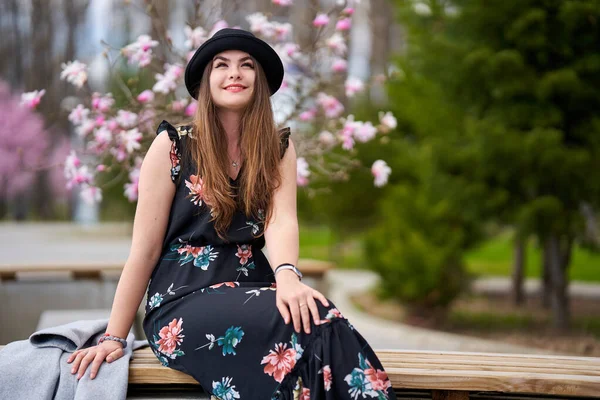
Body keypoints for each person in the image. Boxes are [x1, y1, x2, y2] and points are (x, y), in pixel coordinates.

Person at [66, 28, 397, 400]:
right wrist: (114, 336)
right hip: (183, 302)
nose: (235, 73)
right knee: (305, 323)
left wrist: (287, 275)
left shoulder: (278, 149)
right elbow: (143, 250)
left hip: (255, 291)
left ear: (261, 81)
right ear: (207, 82)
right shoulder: (172, 146)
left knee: (318, 313)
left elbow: (281, 220)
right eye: (221, 65)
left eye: (247, 65)